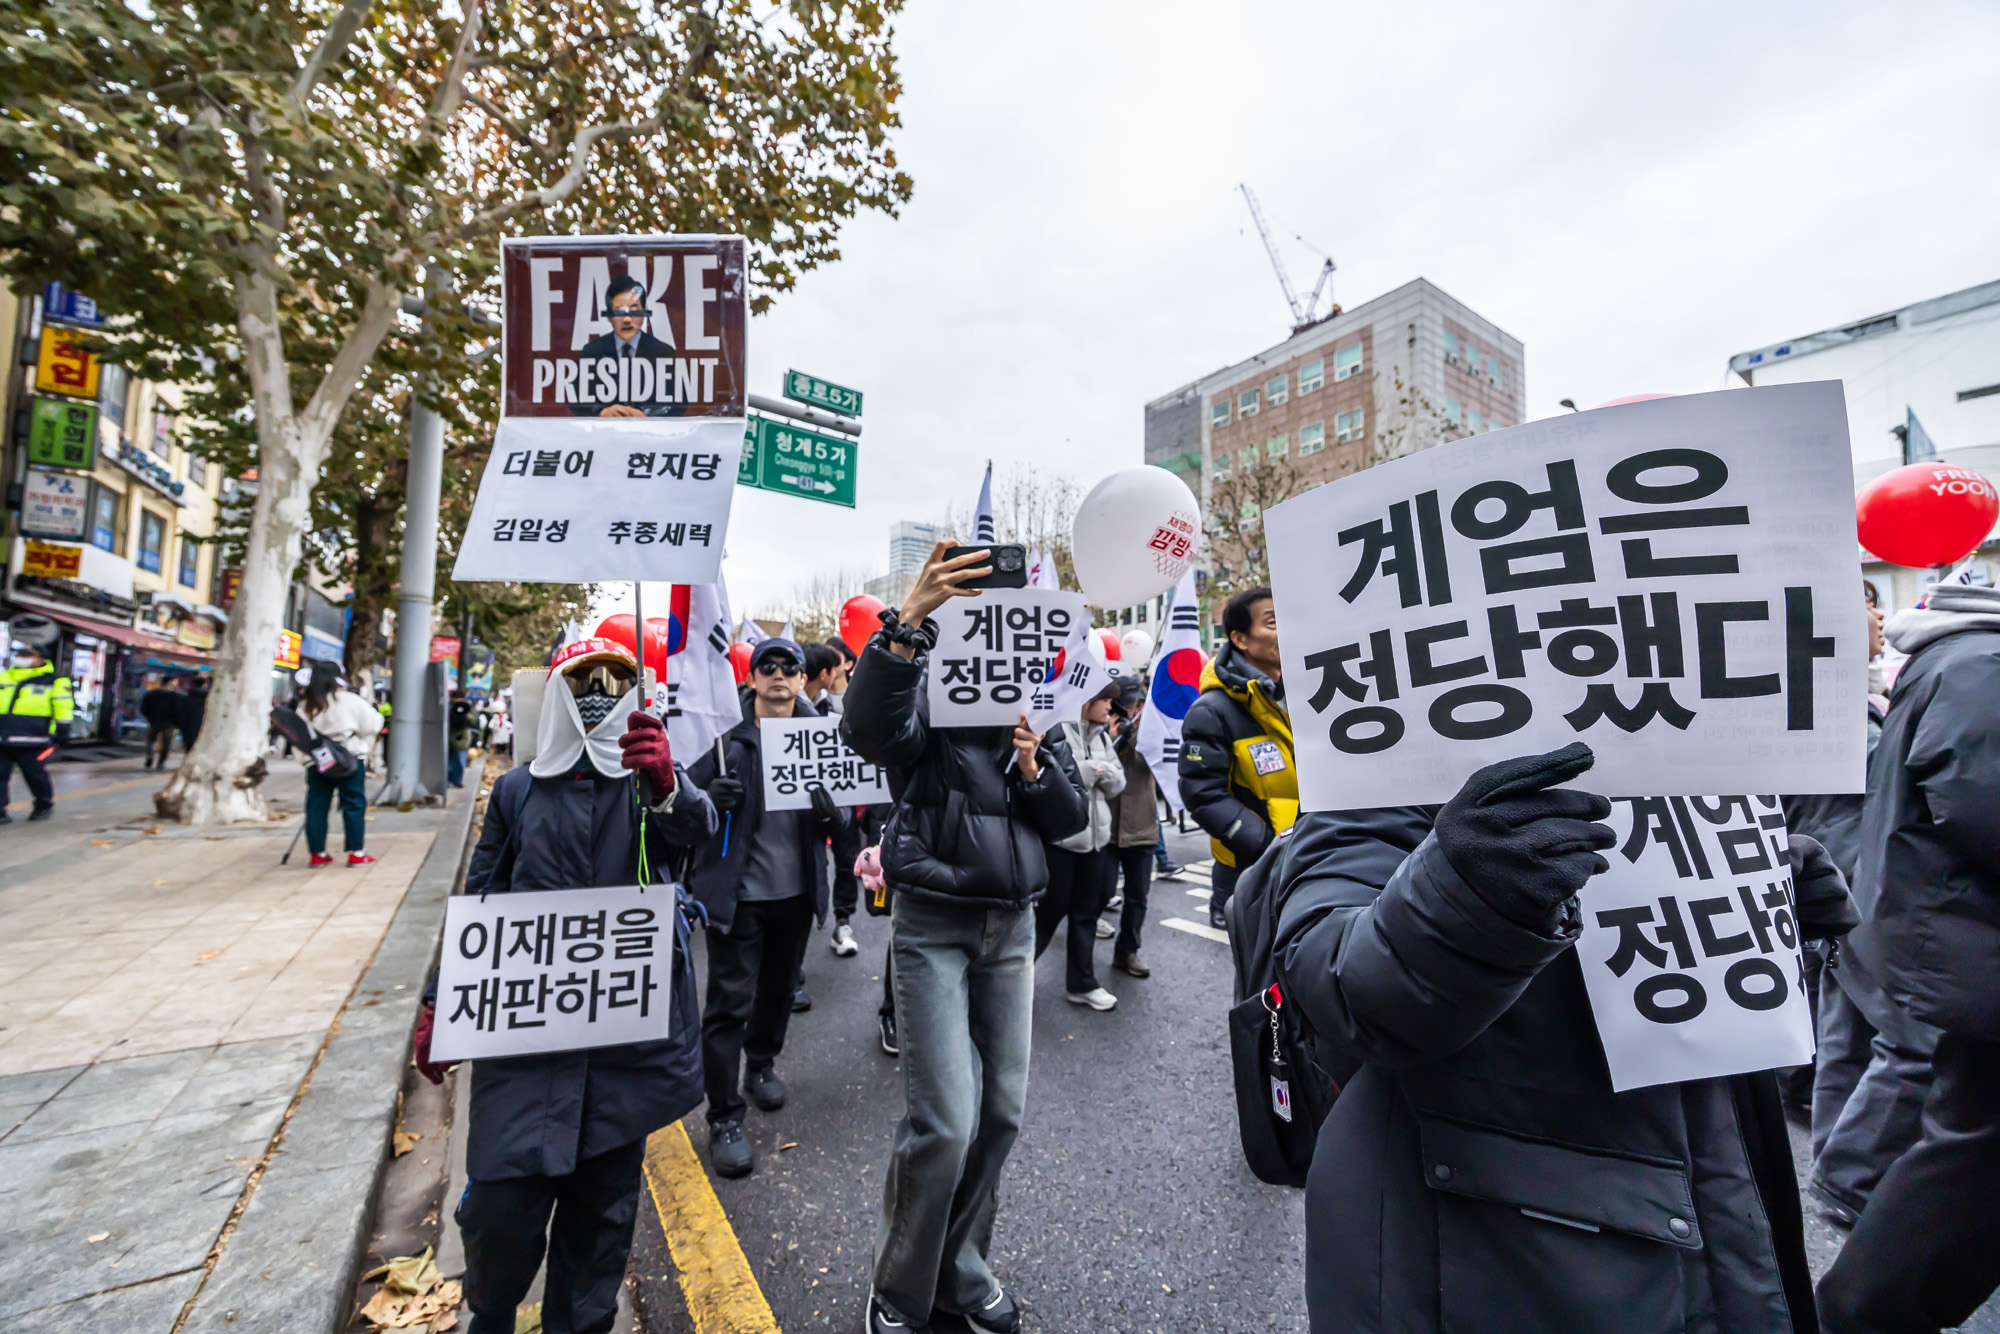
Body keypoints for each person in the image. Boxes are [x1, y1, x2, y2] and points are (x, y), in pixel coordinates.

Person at [1272, 742, 1856, 1332]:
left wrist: (1767, 924)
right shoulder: (1393, 750)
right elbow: (1339, 981)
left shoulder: (1692, 739)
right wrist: (1466, 890)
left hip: (1706, 1198)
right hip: (1490, 1236)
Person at [413, 636, 714, 1334]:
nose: (602, 689)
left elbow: (697, 834)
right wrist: (440, 999)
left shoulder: (652, 781)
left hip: (621, 1057)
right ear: (557, 693)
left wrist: (670, 786)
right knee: (496, 1217)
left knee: (599, 1234)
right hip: (524, 1052)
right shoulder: (518, 792)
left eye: (616, 677)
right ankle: (489, 1316)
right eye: (585, 679)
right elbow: (481, 897)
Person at [841, 541, 1087, 1334]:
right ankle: (898, 1289)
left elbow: (1073, 818)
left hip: (1011, 929)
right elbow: (868, 731)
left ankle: (962, 1269)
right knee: (945, 1123)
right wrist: (905, 625)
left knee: (1002, 1114)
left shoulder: (1035, 707)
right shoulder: (924, 689)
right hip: (933, 926)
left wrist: (1033, 768)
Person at [1817, 581, 2000, 1334]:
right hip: (1951, 936)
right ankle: (1853, 1198)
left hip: (1933, 925)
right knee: (1943, 1110)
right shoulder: (1978, 666)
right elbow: (1983, 804)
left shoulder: (1959, 663)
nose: (1876, 617)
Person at [1786, 589, 1929, 1226]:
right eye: (1866, 606)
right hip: (1853, 882)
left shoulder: (1835, 698)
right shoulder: (1825, 703)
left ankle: (1836, 1168)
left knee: (1846, 1033)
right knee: (1910, 1039)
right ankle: (1850, 1176)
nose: (1881, 618)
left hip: (1844, 881)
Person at [682, 637, 848, 1180]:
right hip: (739, 897)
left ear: (804, 679)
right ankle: (724, 1116)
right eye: (767, 666)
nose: (778, 674)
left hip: (796, 895)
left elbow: (844, 817)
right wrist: (708, 796)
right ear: (751, 678)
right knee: (728, 1006)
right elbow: (677, 807)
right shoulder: (722, 737)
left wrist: (830, 816)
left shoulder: (823, 737)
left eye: (789, 667)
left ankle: (762, 1064)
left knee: (778, 993)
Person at [1179, 586, 1295, 930]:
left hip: (1316, 861)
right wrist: (1270, 847)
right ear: (1240, 638)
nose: (1287, 629)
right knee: (1261, 978)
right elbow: (1203, 794)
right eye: (1273, 622)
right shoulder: (1212, 710)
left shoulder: (1314, 690)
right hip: (1252, 872)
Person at [1033, 680, 1126, 1010]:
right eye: (1105, 701)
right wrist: (1095, 771)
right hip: (1061, 843)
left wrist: (1095, 771)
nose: (1110, 709)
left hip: (1096, 843)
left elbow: (1119, 781)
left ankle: (1082, 983)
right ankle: (1012, 977)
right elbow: (1059, 777)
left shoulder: (1102, 735)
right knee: (1048, 915)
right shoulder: (1060, 730)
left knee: (1086, 915)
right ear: (1086, 701)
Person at [297, 660, 383, 867]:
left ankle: (317, 853)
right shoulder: (349, 700)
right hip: (349, 759)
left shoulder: (306, 705)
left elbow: (299, 736)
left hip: (318, 761)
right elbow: (374, 723)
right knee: (353, 804)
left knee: (316, 806)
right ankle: (356, 852)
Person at [568, 275, 681, 419]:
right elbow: (574, 399)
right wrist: (601, 412)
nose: (627, 319)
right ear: (609, 315)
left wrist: (647, 416)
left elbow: (678, 403)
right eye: (619, 312)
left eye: (634, 310)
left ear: (644, 313)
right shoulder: (592, 352)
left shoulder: (662, 352)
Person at [1106, 675, 1158, 979]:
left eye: (1137, 704)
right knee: (1099, 892)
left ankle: (1127, 951)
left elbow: (1159, 767)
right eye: (1128, 705)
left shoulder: (1153, 730)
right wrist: (1116, 739)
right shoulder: (1102, 726)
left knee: (1137, 897)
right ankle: (1081, 959)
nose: (1134, 709)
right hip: (1108, 826)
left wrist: (1137, 738)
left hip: (1142, 826)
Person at [0, 641, 72, 822]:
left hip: (33, 738)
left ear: (40, 660)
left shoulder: (55, 682)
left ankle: (43, 805)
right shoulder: (4, 678)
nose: (21, 659)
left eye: (27, 656)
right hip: (2, 737)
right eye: (20, 656)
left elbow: (63, 706)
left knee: (35, 774)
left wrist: (62, 730)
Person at [141, 678, 183, 769]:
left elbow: (144, 707)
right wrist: (176, 721)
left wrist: (150, 718)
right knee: (166, 744)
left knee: (151, 740)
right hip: (169, 723)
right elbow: (179, 710)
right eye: (174, 682)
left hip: (154, 721)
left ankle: (150, 756)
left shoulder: (151, 694)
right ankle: (161, 762)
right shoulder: (175, 696)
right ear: (170, 682)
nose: (176, 684)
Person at [448, 688, 475, 789]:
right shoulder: (449, 707)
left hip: (461, 739)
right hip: (450, 737)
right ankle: (449, 780)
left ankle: (457, 780)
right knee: (449, 761)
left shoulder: (468, 708)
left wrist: (464, 713)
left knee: (459, 761)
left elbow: (472, 720)